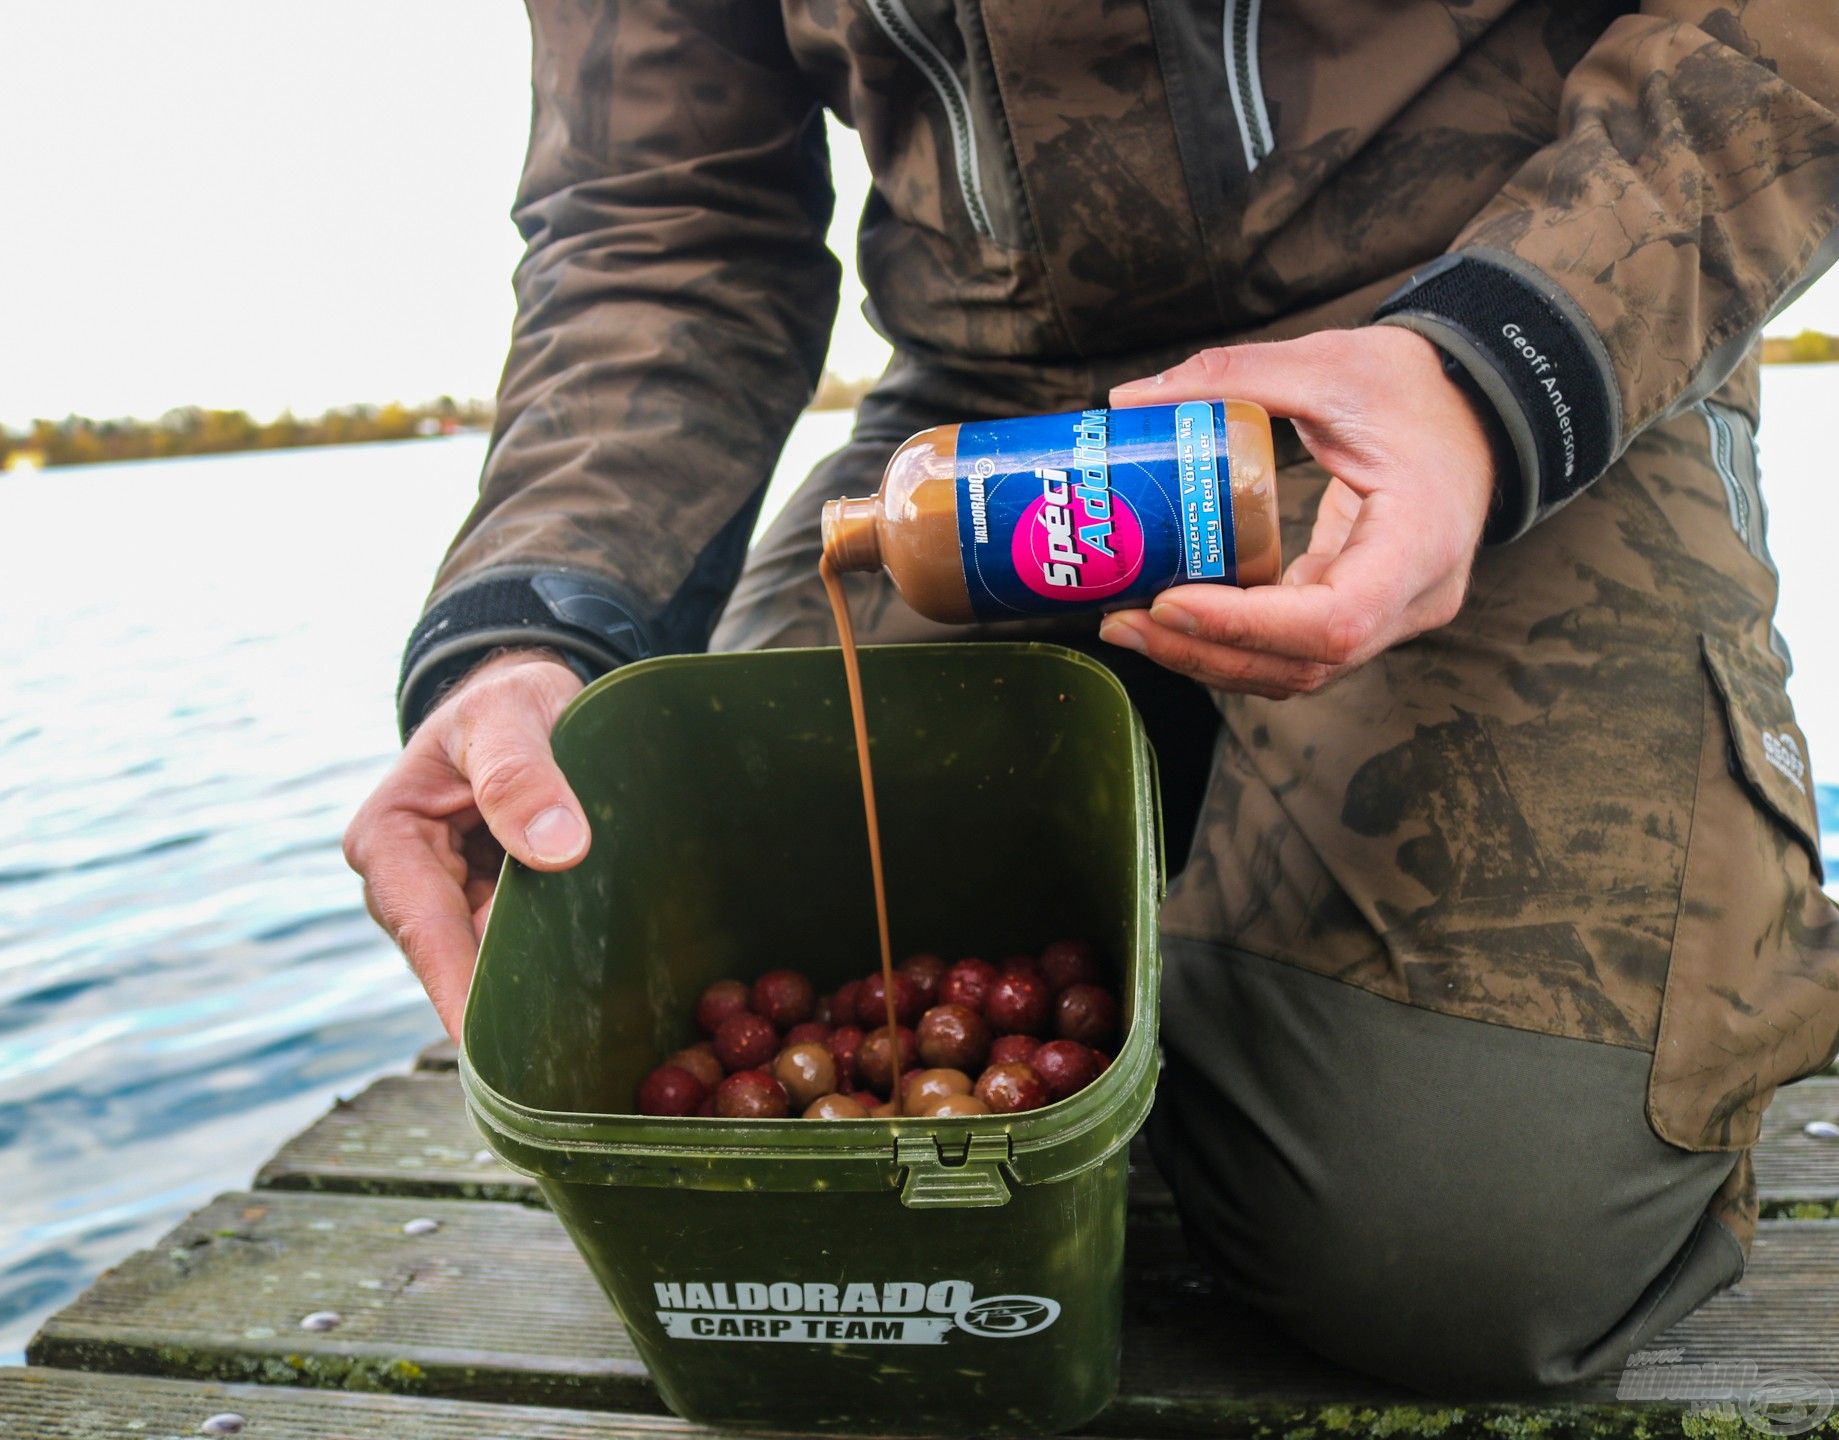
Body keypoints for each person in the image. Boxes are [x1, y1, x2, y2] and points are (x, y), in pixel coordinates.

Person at [344, 0, 1839, 1394]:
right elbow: (664, 218)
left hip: (1462, 354)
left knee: (1466, 1251)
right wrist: (527, 625)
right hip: (981, 434)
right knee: (707, 990)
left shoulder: (1488, 357)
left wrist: (1498, 367)